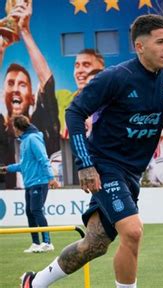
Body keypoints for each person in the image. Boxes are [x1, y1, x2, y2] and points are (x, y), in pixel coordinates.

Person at [20, 15, 163, 288]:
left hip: (132, 173)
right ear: (140, 46)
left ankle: (34, 283)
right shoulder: (116, 77)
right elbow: (75, 112)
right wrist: (85, 165)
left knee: (95, 244)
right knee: (133, 231)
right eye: (161, 42)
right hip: (104, 165)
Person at [0, 2, 59, 189]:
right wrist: (1, 45)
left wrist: (24, 31)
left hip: (41, 189)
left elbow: (47, 82)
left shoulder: (40, 130)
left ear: (33, 97)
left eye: (22, 84)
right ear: (3, 95)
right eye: (10, 83)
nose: (16, 89)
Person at [0, 115, 59, 253]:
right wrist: (7, 168)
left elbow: (43, 159)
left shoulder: (33, 139)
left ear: (17, 127)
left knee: (36, 210)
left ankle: (47, 243)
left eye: (13, 126)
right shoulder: (24, 141)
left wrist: (51, 178)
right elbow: (24, 165)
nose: (12, 129)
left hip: (39, 181)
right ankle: (36, 243)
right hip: (30, 183)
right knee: (30, 212)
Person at [56, 49, 104, 139]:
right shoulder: (63, 96)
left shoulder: (110, 105)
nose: (79, 71)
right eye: (77, 66)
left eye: (86, 65)